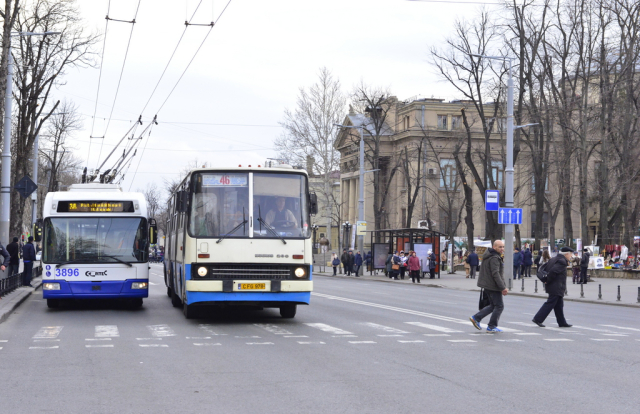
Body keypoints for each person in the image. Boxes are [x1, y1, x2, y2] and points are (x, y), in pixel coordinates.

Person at [469, 240, 507, 333]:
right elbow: (496, 274)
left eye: (503, 247)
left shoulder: (489, 255)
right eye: (500, 247)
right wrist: (502, 287)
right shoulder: (494, 257)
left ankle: (476, 318)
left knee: (493, 305)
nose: (502, 249)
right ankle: (491, 326)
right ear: (494, 247)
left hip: (488, 284)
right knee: (499, 306)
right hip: (493, 285)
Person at [532, 246, 574, 328]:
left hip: (554, 286)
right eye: (570, 254)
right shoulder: (562, 261)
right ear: (566, 254)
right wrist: (548, 280)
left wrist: (547, 280)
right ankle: (538, 319)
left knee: (559, 305)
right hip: (556, 286)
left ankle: (562, 322)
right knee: (550, 303)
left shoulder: (554, 259)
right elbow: (553, 271)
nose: (571, 256)